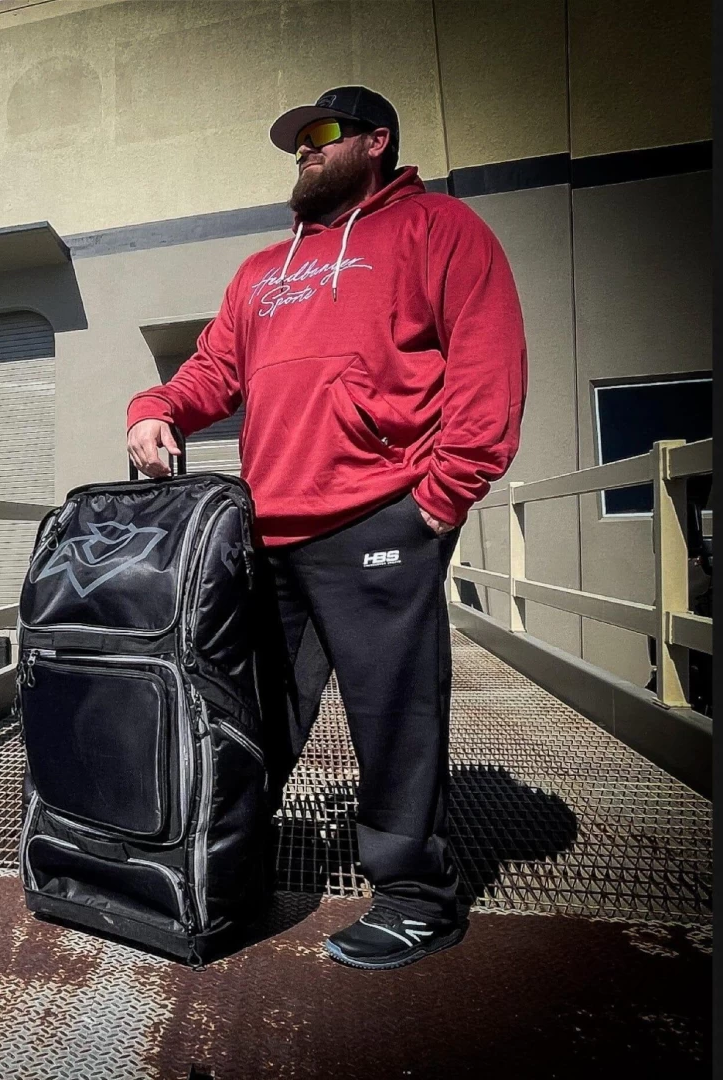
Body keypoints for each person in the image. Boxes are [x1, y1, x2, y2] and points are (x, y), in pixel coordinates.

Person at [126, 86, 527, 970]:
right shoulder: (263, 271)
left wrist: (438, 499)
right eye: (298, 140)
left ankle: (418, 898)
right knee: (250, 711)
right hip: (268, 530)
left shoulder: (441, 231)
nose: (305, 148)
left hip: (380, 516)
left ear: (376, 141)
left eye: (323, 133)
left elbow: (487, 366)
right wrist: (157, 406)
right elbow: (213, 370)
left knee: (393, 716)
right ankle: (224, 859)